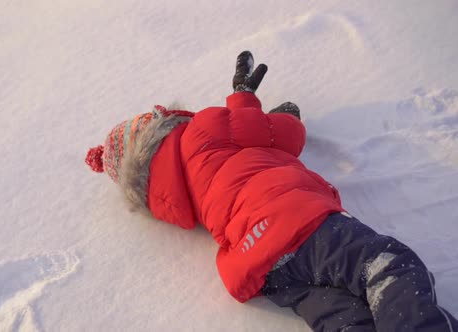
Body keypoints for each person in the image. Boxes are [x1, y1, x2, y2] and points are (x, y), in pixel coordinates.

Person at [85, 51, 458, 331]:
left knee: (346, 317)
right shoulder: (202, 129)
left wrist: (245, 112)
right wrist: (265, 110)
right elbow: (286, 136)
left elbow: (232, 151)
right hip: (297, 221)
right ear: (163, 122)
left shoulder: (179, 198)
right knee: (385, 266)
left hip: (260, 267)